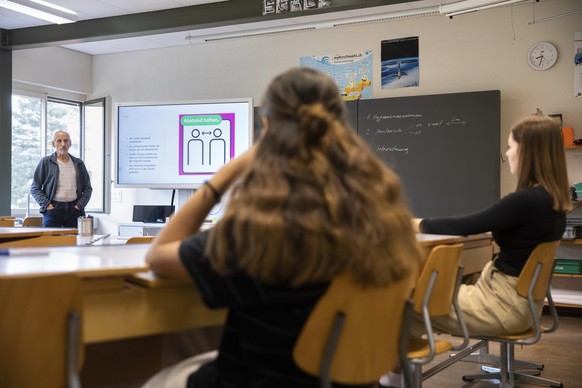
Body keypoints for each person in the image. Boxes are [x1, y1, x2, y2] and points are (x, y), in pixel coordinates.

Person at [144, 67, 423, 388]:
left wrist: (227, 173)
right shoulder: (386, 223)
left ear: (267, 128)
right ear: (339, 124)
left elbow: (159, 257)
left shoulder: (259, 229)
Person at [379, 115, 570, 388]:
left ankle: (391, 379)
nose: (507, 153)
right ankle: (398, 375)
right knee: (415, 302)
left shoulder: (526, 201)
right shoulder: (552, 202)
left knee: (400, 306)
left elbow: (467, 224)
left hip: (502, 306)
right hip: (520, 304)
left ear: (527, 151)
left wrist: (414, 223)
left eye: (510, 146)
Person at [30, 130, 92, 227]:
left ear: (70, 143)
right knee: (50, 241)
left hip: (74, 210)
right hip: (53, 210)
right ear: (53, 144)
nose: (63, 144)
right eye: (59, 141)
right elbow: (35, 188)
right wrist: (47, 205)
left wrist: (79, 206)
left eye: (66, 141)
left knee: (74, 241)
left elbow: (88, 188)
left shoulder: (79, 163)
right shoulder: (46, 162)